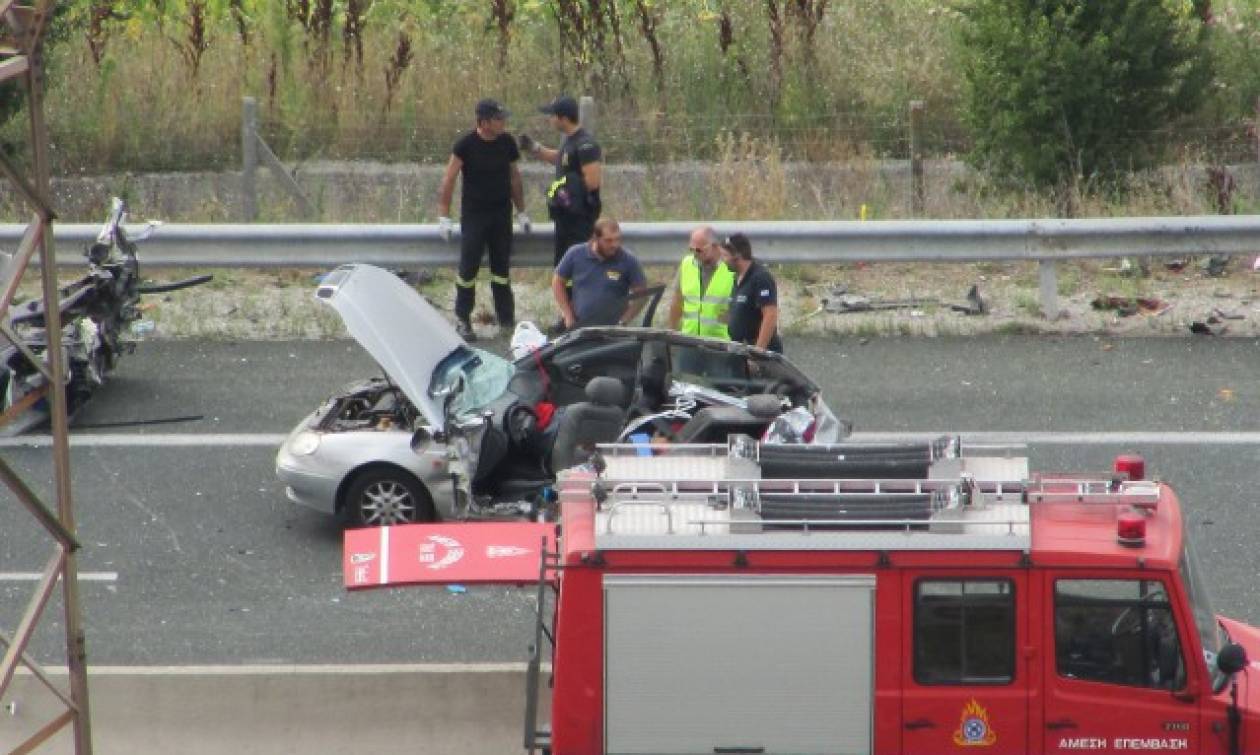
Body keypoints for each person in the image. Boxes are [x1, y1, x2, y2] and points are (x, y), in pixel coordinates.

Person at [437, 98, 531, 341]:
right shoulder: (465, 145)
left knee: (501, 270)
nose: (503, 123)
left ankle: (507, 319)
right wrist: (443, 215)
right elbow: (449, 179)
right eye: (499, 119)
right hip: (475, 216)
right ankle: (463, 318)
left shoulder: (507, 143)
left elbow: (514, 178)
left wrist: (521, 211)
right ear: (485, 122)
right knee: (468, 270)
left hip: (501, 215)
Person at [517, 96, 603, 266]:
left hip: (580, 219)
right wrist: (535, 149)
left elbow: (592, 182)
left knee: (578, 265)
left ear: (563, 118)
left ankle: (576, 293)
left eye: (552, 116)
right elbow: (562, 158)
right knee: (564, 266)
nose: (550, 120)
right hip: (566, 216)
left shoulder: (585, 144)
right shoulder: (570, 141)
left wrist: (568, 193)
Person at [552, 219, 647, 330]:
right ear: (596, 238)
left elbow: (642, 295)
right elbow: (557, 282)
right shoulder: (575, 254)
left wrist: (623, 322)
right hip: (580, 327)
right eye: (608, 240)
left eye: (617, 239)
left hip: (612, 331)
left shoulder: (628, 260)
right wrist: (568, 315)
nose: (615, 245)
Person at [668, 225, 734, 340]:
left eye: (699, 250)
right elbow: (677, 301)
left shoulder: (731, 268)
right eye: (691, 249)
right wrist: (671, 333)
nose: (695, 253)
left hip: (721, 344)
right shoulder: (687, 264)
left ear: (715, 246)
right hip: (689, 340)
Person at [720, 233, 783, 353]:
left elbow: (770, 315)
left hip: (760, 354)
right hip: (740, 350)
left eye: (725, 256)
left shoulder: (760, 277)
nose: (722, 261)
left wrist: (757, 352)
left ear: (737, 255)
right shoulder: (737, 278)